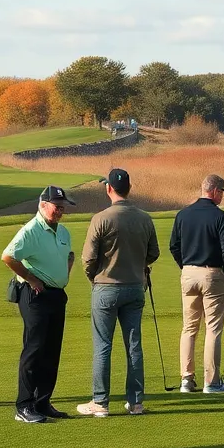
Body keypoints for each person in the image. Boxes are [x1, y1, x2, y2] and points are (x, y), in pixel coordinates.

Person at [77, 169, 160, 417]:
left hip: (106, 288)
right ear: (129, 188)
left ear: (109, 189)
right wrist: (137, 264)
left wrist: (94, 277)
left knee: (103, 346)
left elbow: (88, 259)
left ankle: (100, 402)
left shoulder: (100, 219)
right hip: (135, 287)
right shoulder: (144, 218)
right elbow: (153, 252)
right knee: (134, 345)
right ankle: (136, 402)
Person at [3, 186, 76, 423]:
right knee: (34, 349)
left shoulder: (63, 231)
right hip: (34, 294)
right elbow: (8, 256)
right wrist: (32, 278)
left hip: (57, 294)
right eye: (57, 206)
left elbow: (67, 256)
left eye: (63, 207)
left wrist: (65, 271)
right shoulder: (31, 230)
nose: (60, 211)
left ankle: (42, 402)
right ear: (43, 205)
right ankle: (24, 405)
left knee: (52, 350)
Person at [170, 174, 224, 394]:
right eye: (223, 192)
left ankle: (186, 380)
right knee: (213, 328)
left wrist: (185, 267)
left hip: (188, 274)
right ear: (215, 191)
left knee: (189, 328)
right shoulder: (221, 217)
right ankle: (212, 382)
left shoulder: (183, 214)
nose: (223, 197)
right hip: (212, 273)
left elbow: (174, 246)